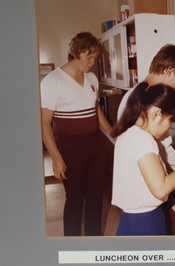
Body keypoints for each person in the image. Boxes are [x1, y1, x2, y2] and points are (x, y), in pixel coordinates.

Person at [40, 32, 113, 236]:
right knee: (74, 199)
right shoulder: (52, 81)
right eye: (88, 57)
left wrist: (113, 134)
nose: (92, 62)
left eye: (94, 58)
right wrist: (56, 157)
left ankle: (94, 243)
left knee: (96, 198)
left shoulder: (92, 78)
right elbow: (44, 122)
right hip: (70, 149)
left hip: (95, 147)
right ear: (75, 53)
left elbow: (95, 110)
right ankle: (71, 246)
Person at [111, 82, 175, 236]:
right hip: (145, 221)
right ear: (156, 113)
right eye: (171, 121)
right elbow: (160, 190)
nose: (169, 127)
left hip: (130, 219)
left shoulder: (128, 134)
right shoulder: (143, 140)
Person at [116, 44, 175, 171]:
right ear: (170, 71)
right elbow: (163, 146)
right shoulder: (144, 99)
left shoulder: (141, 94)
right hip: (143, 175)